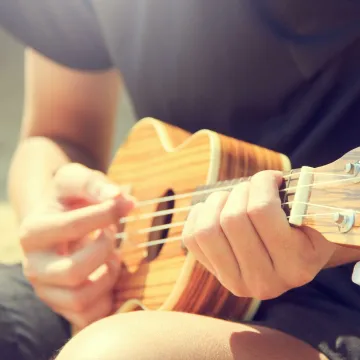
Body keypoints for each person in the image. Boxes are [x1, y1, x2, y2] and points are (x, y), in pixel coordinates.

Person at [1, 0, 360, 359]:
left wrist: (332, 242)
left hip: (340, 304)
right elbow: (56, 134)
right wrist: (53, 232)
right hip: (128, 276)